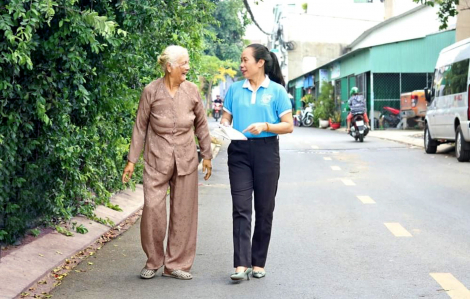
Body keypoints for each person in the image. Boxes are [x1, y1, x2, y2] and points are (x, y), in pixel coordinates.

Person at [121, 45, 213, 280]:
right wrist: (132, 160)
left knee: (183, 212)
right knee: (152, 208)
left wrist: (207, 155)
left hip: (186, 158)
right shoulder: (151, 91)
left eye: (188, 62)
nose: (188, 67)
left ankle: (176, 265)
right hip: (156, 159)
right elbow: (140, 126)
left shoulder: (192, 91)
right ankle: (153, 260)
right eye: (184, 63)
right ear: (169, 66)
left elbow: (201, 125)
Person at [220, 44, 294, 281]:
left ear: (260, 63)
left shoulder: (277, 91)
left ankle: (258, 262)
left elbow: (289, 125)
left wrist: (266, 126)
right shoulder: (234, 90)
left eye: (245, 60)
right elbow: (226, 118)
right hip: (239, 151)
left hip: (266, 151)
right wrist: (223, 128)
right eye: (240, 61)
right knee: (241, 208)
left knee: (264, 209)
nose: (241, 65)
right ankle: (241, 265)